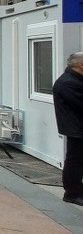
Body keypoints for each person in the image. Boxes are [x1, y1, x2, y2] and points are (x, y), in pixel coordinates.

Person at [53, 52, 83, 206]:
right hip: (77, 128)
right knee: (75, 161)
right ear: (81, 65)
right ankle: (72, 193)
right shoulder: (67, 83)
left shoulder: (75, 79)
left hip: (78, 127)